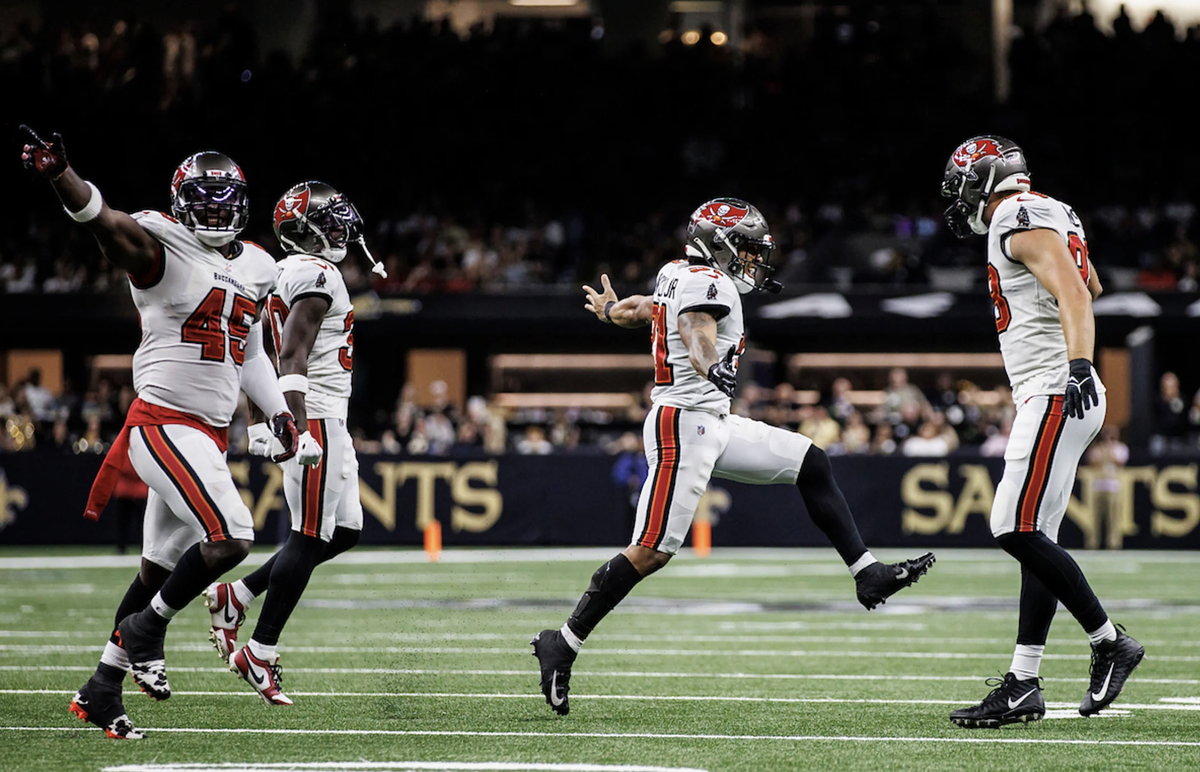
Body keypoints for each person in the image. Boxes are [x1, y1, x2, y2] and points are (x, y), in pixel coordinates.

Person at [530, 198, 935, 716]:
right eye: (744, 247)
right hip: (684, 423)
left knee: (810, 461)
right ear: (718, 244)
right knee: (651, 550)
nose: (751, 259)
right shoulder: (708, 284)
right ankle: (562, 641)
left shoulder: (678, 272)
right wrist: (709, 367)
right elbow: (694, 331)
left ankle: (866, 572)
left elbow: (645, 308)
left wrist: (611, 310)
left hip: (712, 422)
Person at [21, 126, 298, 739]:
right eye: (204, 200)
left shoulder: (256, 264)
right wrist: (61, 175)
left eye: (224, 200)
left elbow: (251, 352)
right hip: (163, 423)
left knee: (154, 571)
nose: (215, 211)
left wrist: (276, 410)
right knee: (232, 536)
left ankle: (101, 690)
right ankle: (146, 630)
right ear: (180, 205)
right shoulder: (163, 244)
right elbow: (107, 224)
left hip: (205, 433)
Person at [939, 135, 1143, 728]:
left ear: (984, 180)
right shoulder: (1047, 212)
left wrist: (1077, 362)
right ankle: (1023, 682)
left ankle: (1109, 641)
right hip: (1058, 387)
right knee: (1038, 541)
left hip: (1058, 388)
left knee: (1011, 525)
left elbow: (1078, 292)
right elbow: (1093, 284)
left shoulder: (1017, 216)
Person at [204, 182, 374, 705]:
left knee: (344, 531)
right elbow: (291, 357)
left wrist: (261, 418)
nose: (342, 227)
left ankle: (239, 593)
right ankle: (259, 650)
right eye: (331, 219)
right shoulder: (318, 272)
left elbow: (257, 350)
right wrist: (294, 425)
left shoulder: (280, 273)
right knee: (307, 534)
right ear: (307, 229)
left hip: (323, 416)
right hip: (316, 416)